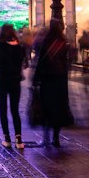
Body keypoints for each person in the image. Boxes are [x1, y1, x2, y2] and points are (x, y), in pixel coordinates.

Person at [32, 19, 74, 147]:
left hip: (47, 79)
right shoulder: (63, 43)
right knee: (58, 108)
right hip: (60, 80)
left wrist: (36, 78)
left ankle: (46, 137)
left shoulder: (46, 42)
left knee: (47, 107)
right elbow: (68, 61)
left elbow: (41, 61)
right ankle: (56, 137)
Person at [0, 22, 27, 149]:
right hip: (15, 80)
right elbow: (24, 62)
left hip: (2, 80)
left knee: (3, 109)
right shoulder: (20, 46)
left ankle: (7, 138)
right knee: (15, 110)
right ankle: (19, 139)